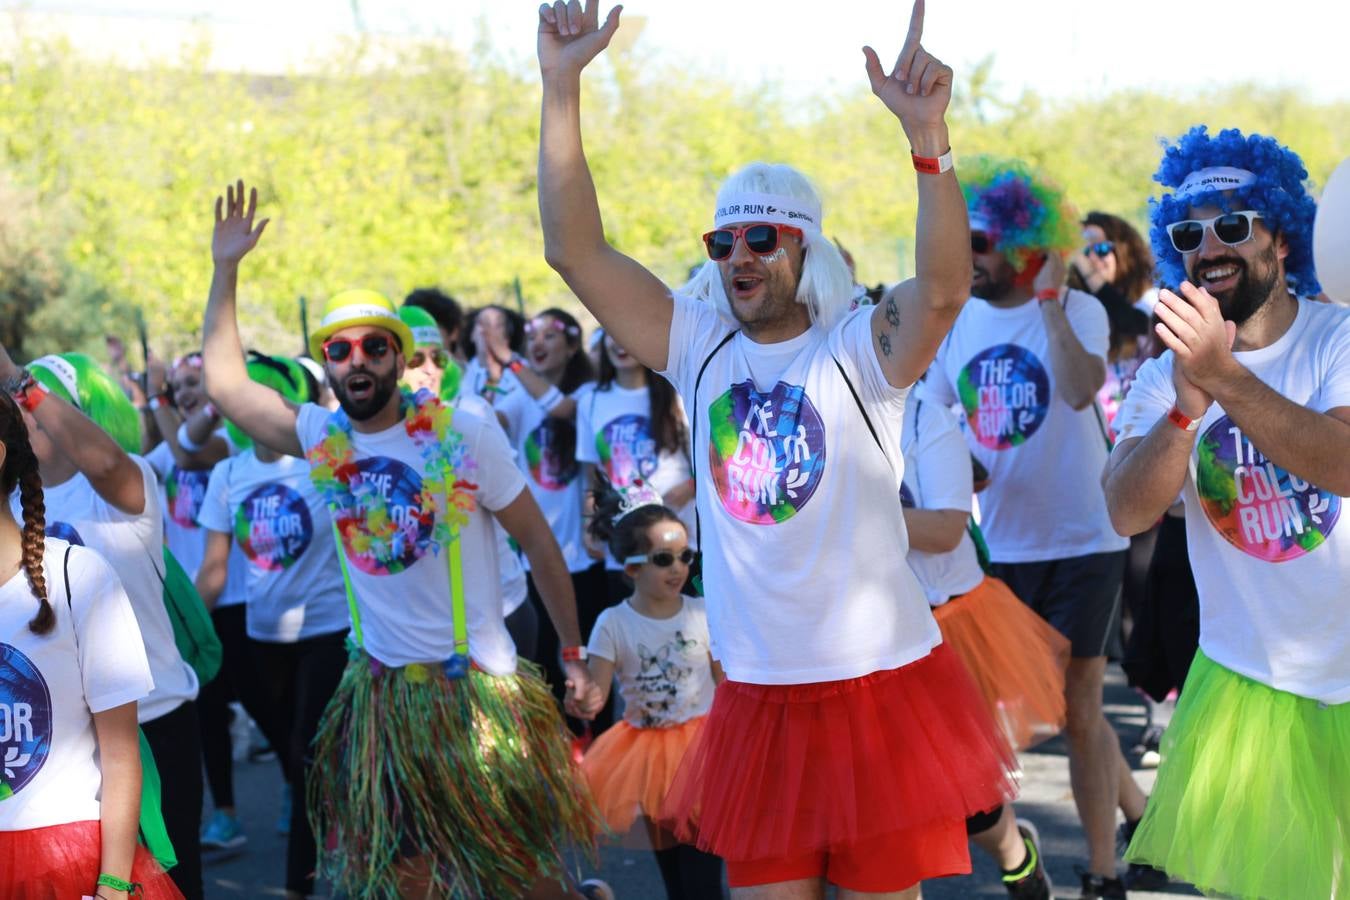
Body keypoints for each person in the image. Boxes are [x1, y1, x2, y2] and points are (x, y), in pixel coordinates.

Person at [538, 4, 1017, 897]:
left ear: (804, 248)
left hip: (880, 689)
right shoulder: (698, 348)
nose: (740, 256)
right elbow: (575, 250)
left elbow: (945, 291)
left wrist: (929, 142)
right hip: (758, 700)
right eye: (723, 242)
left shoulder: (859, 353)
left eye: (763, 238)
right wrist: (561, 86)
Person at [200, 180, 604, 898]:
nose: (359, 361)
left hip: (478, 695)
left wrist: (572, 653)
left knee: (520, 876)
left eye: (376, 348)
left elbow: (541, 547)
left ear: (399, 356)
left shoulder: (463, 435)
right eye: (342, 350)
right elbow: (229, 386)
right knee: (406, 877)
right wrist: (225, 269)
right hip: (382, 699)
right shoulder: (323, 437)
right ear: (329, 364)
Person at [1105, 126, 1349, 900]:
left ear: (1281, 234)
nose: (1209, 246)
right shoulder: (1162, 376)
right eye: (1189, 232)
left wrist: (1225, 379)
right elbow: (1123, 511)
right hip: (1247, 691)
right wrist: (1184, 412)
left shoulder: (1340, 339)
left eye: (1234, 225)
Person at [919, 157, 1146, 899]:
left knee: (1080, 710)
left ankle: (1104, 872)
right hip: (1005, 546)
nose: (969, 254)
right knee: (1021, 716)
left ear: (1026, 245)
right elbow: (933, 421)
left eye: (981, 241)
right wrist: (962, 471)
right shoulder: (955, 323)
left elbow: (1082, 393)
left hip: (1087, 539)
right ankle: (1139, 810)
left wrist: (1052, 300)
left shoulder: (1079, 311)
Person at [4, 349, 205, 900]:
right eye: (19, 402)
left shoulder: (125, 484)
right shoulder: (17, 506)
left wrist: (16, 378)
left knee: (171, 881)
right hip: (67, 746)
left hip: (155, 721)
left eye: (42, 400)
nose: (29, 411)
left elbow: (106, 465)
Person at [897, 387, 1064, 900]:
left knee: (967, 798)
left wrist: (836, 519)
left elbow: (946, 529)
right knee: (892, 798)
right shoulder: (820, 417)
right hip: (867, 629)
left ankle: (1017, 856)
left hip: (948, 621)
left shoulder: (927, 420)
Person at [195, 353, 349, 900]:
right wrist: (176, 629)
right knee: (296, 752)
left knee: (308, 753)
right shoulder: (229, 472)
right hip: (262, 640)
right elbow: (213, 570)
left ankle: (297, 885)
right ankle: (330, 813)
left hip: (330, 633)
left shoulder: (323, 461)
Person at [579, 477, 723, 900]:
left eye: (685, 556)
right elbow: (597, 694)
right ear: (632, 568)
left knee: (702, 882)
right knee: (676, 880)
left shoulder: (702, 612)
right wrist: (584, 696)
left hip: (704, 754)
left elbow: (724, 681)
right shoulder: (613, 624)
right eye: (664, 558)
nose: (679, 568)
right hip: (648, 762)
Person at [141, 351, 256, 854]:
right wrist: (151, 405)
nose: (185, 392)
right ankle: (227, 816)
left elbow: (187, 453)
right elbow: (149, 459)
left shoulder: (227, 438)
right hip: (194, 603)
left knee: (261, 703)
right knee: (208, 710)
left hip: (236, 596)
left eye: (193, 384)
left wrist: (155, 395)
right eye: (179, 386)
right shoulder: (167, 444)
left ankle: (300, 792)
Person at [398, 304, 540, 661]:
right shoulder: (383, 431)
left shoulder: (470, 411)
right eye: (416, 360)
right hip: (430, 623)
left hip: (499, 611)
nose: (429, 370)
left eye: (437, 358)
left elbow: (520, 515)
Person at [492, 308, 605, 718]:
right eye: (531, 336)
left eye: (550, 336)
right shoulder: (520, 396)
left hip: (582, 556)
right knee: (545, 669)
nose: (537, 343)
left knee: (589, 663)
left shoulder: (587, 395)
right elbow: (494, 420)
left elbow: (560, 409)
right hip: (534, 558)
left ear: (573, 346)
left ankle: (599, 746)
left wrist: (512, 361)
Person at [576, 330, 695, 603]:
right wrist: (588, 527)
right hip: (623, 539)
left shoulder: (676, 391)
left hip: (679, 533)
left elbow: (707, 455)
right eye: (610, 334)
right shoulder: (590, 401)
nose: (619, 342)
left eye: (623, 333)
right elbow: (593, 476)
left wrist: (691, 486)